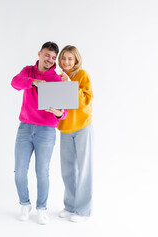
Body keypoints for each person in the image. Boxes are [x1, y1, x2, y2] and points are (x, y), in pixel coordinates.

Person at [11, 42, 67, 225]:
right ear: (40, 54)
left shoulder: (57, 80)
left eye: (53, 57)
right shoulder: (28, 71)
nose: (50, 60)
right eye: (47, 55)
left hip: (46, 130)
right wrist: (33, 82)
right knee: (20, 170)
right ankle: (24, 204)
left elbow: (63, 112)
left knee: (42, 171)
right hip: (25, 127)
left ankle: (41, 208)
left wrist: (57, 112)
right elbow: (14, 83)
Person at [57, 45, 94, 222]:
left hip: (82, 127)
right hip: (65, 128)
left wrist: (70, 84)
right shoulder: (56, 78)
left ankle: (83, 211)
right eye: (63, 58)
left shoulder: (82, 75)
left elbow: (86, 100)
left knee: (84, 169)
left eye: (70, 58)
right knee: (67, 170)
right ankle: (70, 206)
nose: (66, 62)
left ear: (76, 60)